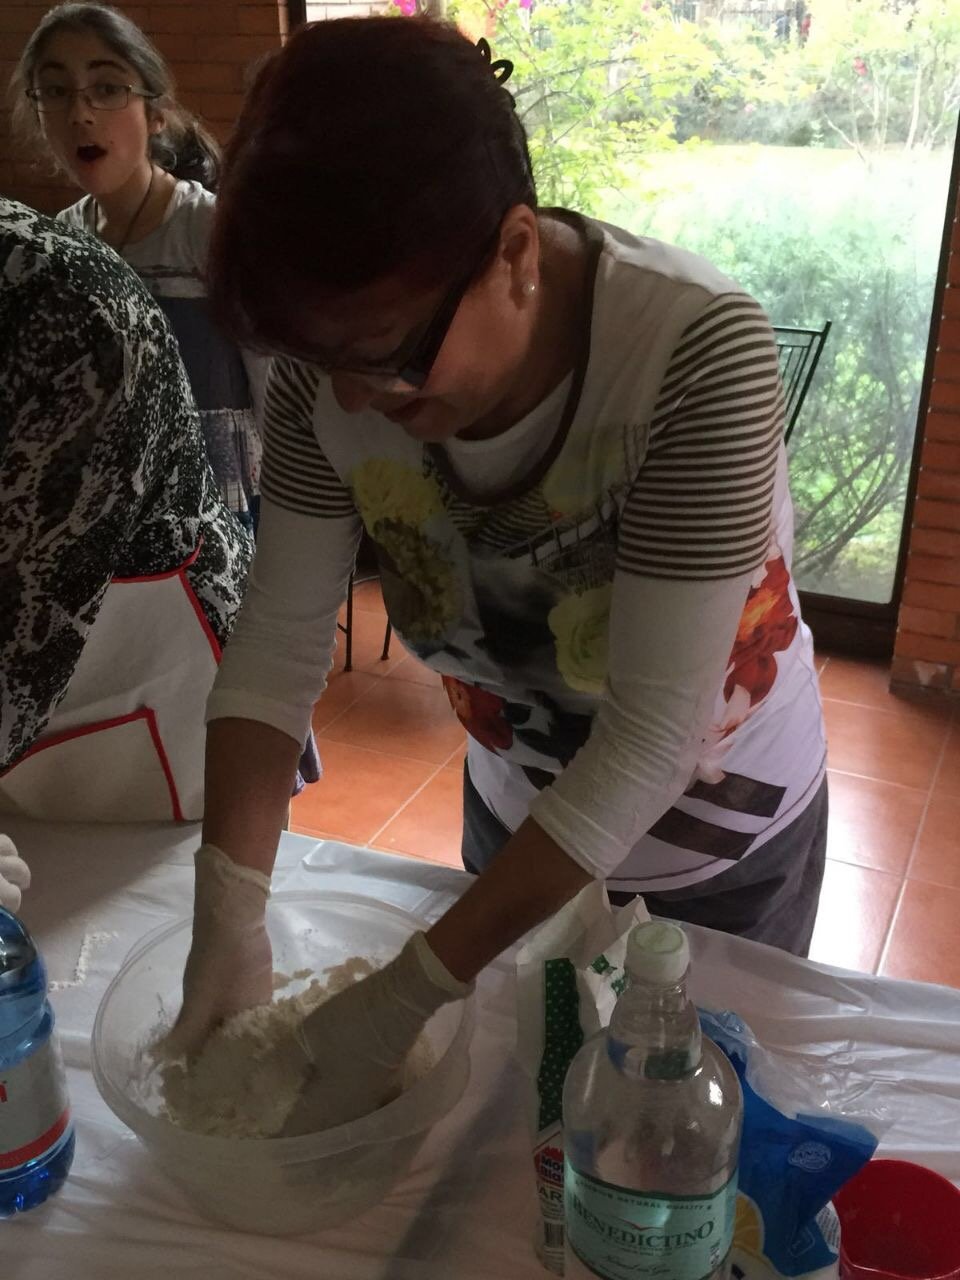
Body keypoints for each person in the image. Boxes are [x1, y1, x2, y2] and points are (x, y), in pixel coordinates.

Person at [167, 19, 828, 1125]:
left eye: (389, 356)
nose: (355, 399)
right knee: (533, 1127)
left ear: (517, 251)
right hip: (522, 824)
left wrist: (412, 987)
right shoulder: (334, 373)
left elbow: (652, 736)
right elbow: (277, 645)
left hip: (716, 848)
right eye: (319, 363)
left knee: (680, 1141)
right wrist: (228, 909)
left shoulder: (692, 356)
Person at [0, 197, 251, 828]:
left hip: (140, 674)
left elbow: (28, 623)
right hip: (36, 679)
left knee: (153, 886)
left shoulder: (64, 308)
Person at [12, 2, 263, 532]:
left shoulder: (210, 231)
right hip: (110, 525)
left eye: (107, 88)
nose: (80, 114)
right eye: (55, 91)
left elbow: (278, 400)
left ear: (156, 113)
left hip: (218, 519)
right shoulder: (59, 244)